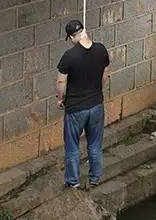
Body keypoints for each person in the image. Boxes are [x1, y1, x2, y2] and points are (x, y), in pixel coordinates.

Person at [56, 20, 110, 189]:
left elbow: (60, 81)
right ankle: (95, 178)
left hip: (76, 109)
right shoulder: (101, 49)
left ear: (72, 37)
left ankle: (73, 182)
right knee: (95, 144)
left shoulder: (69, 56)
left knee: (72, 146)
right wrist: (98, 91)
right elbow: (105, 75)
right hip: (96, 105)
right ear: (85, 31)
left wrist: (60, 98)